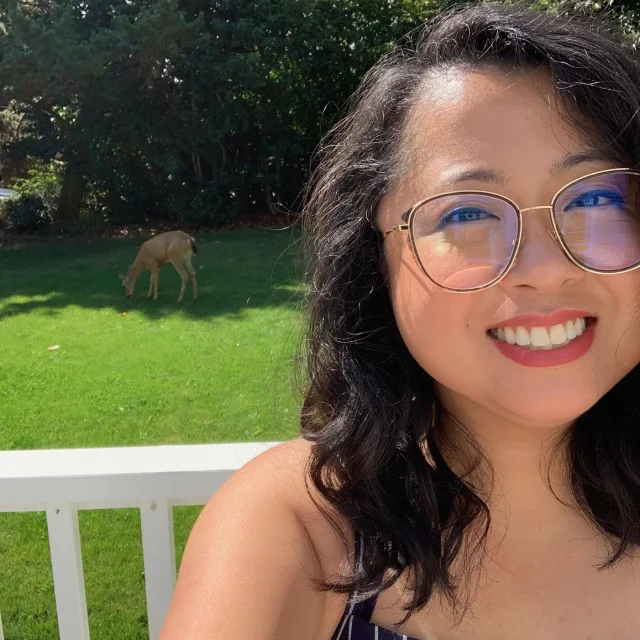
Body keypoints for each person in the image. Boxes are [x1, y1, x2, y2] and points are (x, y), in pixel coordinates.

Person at [160, 2, 640, 638]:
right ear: (376, 261)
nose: (546, 269)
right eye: (466, 215)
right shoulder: (300, 531)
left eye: (598, 198)